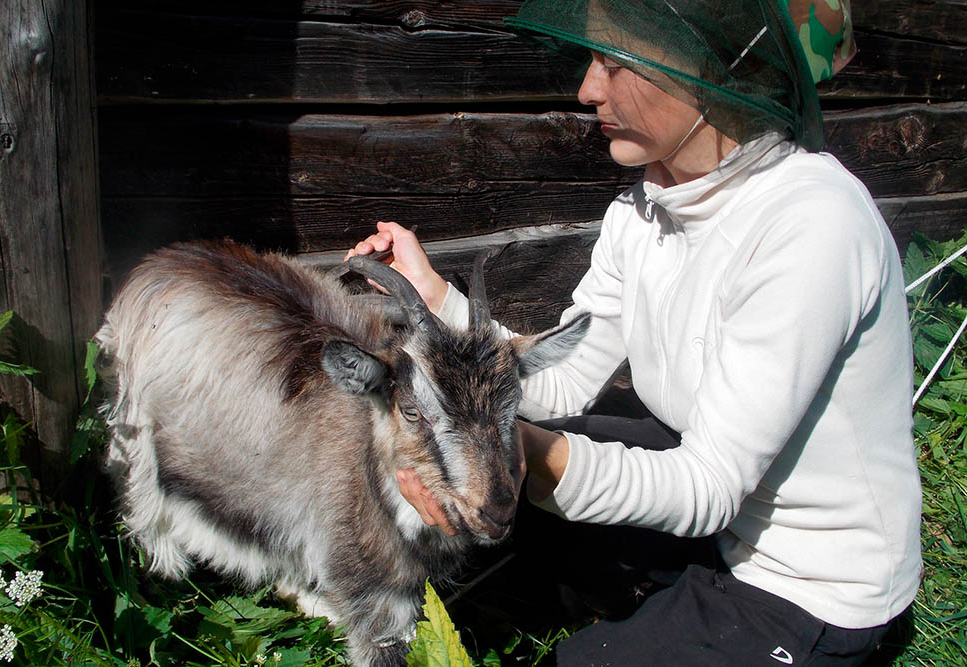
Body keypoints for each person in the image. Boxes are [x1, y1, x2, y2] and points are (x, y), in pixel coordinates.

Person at [346, 1, 922, 664]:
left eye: (616, 64)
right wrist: (434, 298)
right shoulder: (642, 212)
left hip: (810, 582)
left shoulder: (811, 226)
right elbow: (560, 383)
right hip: (726, 522)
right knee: (521, 473)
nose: (587, 90)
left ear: (712, 72)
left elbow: (706, 486)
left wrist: (491, 449)